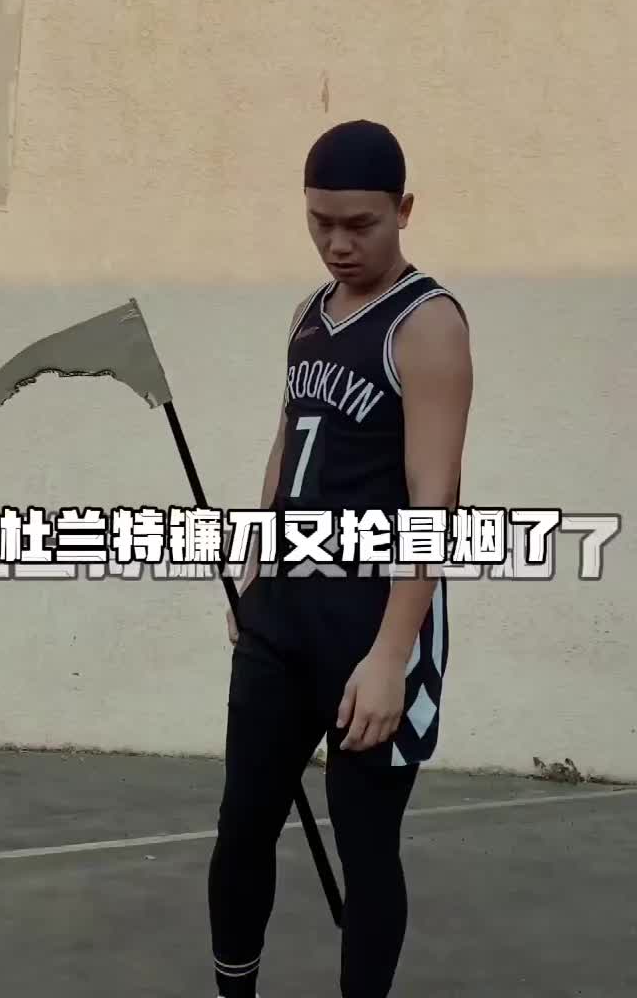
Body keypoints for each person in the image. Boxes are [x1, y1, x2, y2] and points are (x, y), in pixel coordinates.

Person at [207, 120, 473, 998]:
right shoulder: (307, 317)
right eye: (320, 222)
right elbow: (288, 443)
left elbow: (436, 499)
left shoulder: (427, 324)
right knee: (243, 827)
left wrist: (393, 655)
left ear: (404, 210)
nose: (337, 243)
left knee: (365, 847)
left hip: (373, 622)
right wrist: (255, 562)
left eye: (360, 224)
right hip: (284, 614)